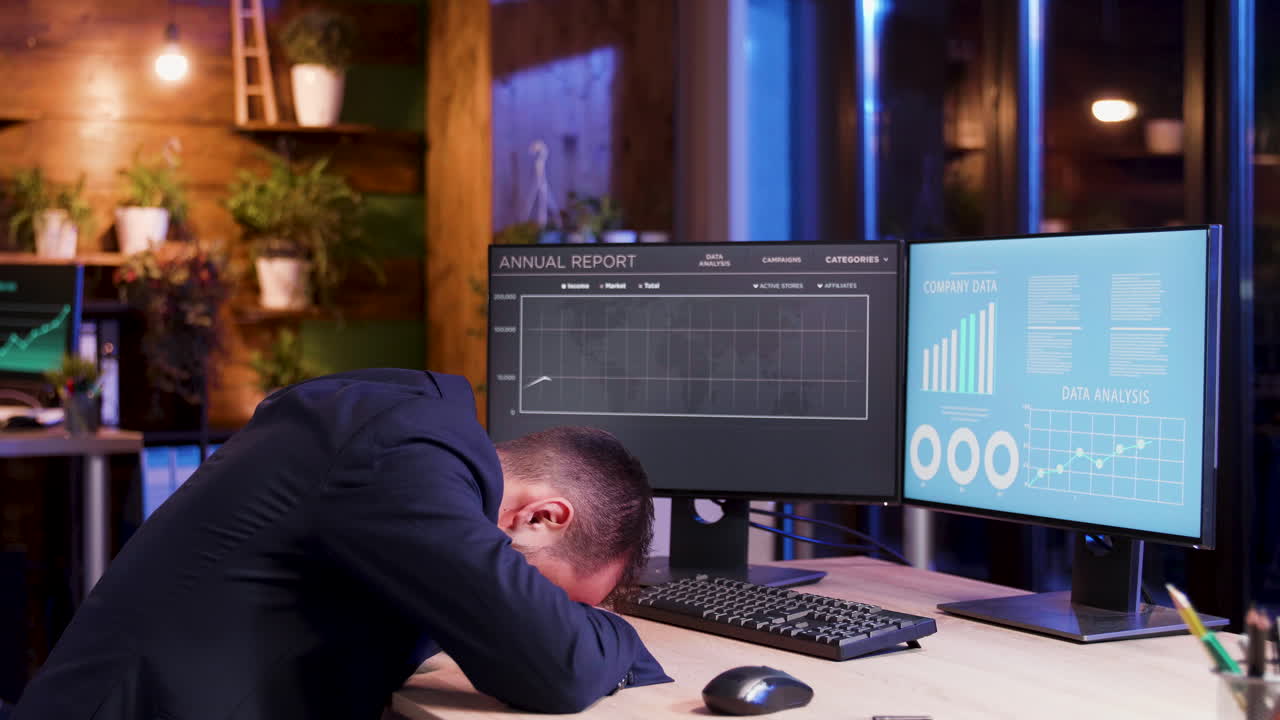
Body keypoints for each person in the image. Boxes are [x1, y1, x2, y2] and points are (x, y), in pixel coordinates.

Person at [14, 369, 670, 720]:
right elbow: (553, 663)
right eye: (554, 597)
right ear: (543, 518)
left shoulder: (391, 432)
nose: (543, 608)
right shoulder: (407, 447)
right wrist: (612, 634)